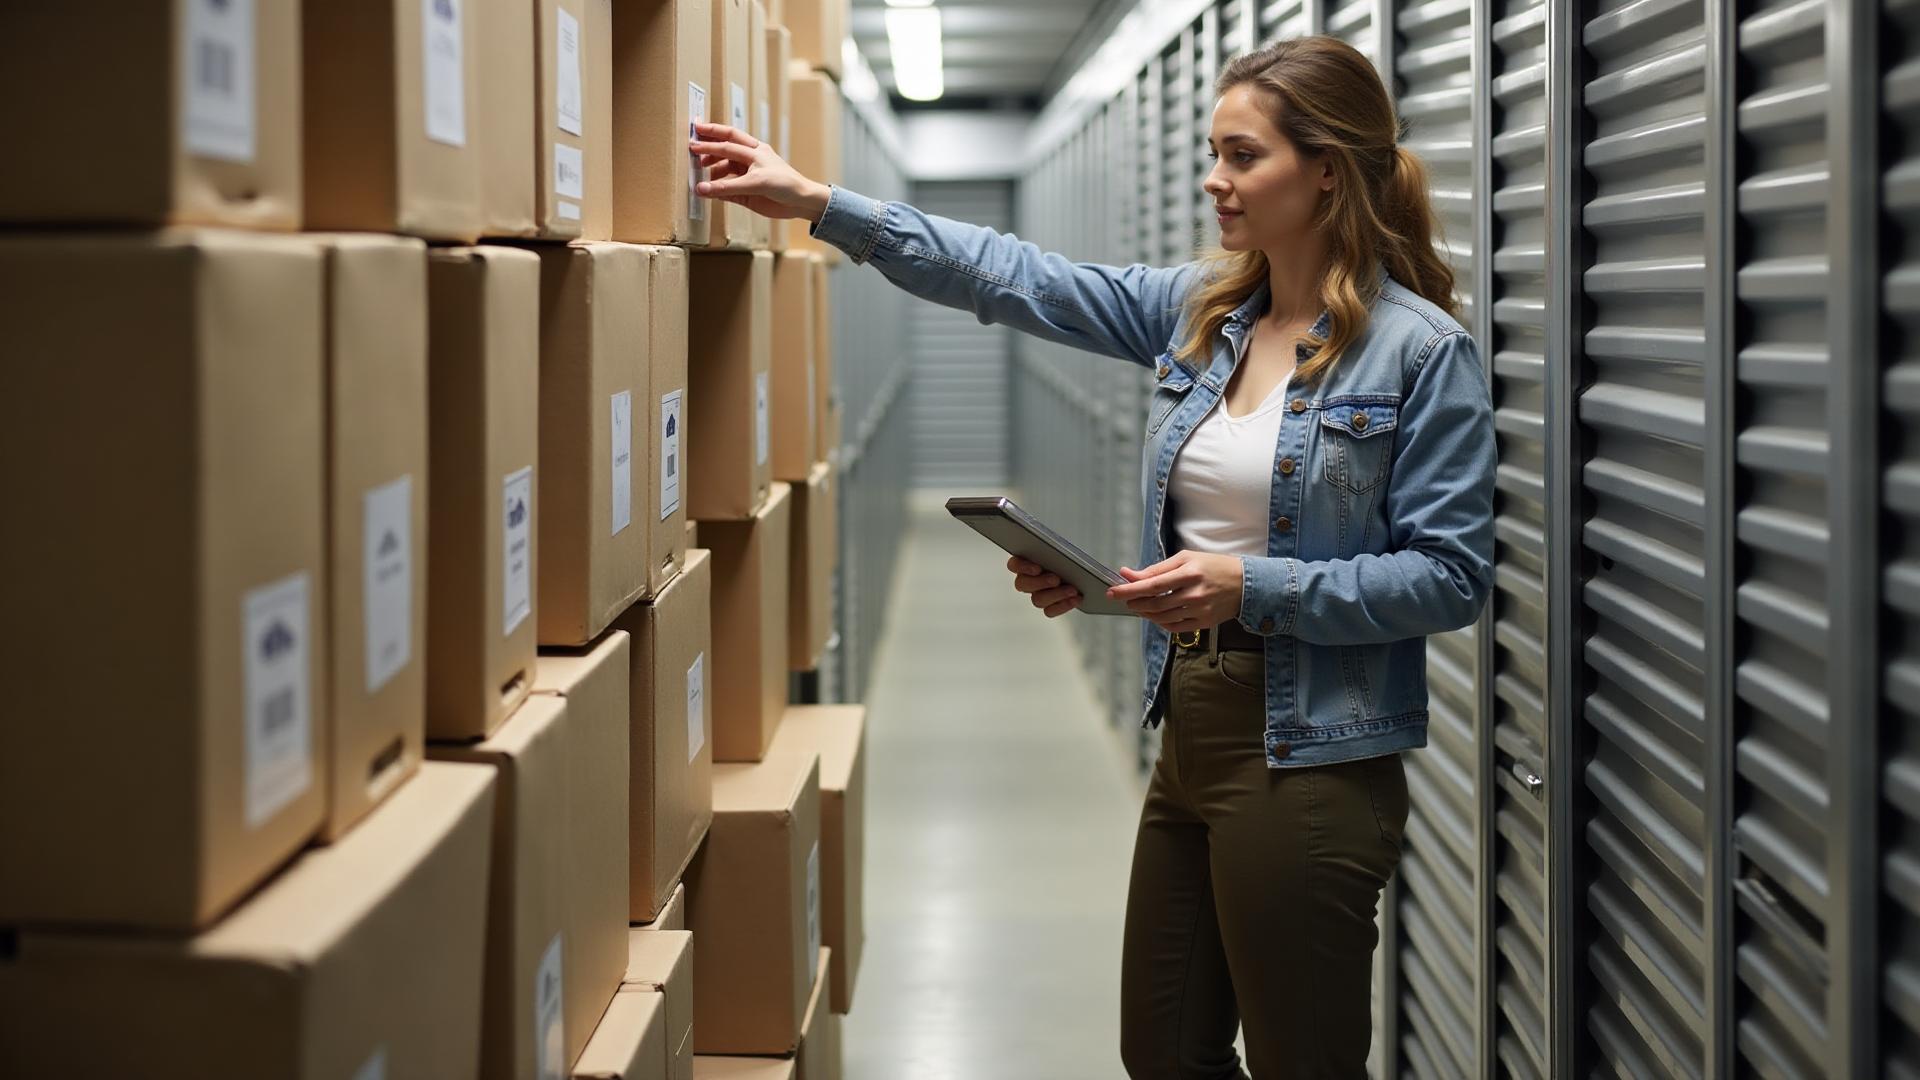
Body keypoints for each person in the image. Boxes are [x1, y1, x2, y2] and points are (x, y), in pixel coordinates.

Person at [689, 34, 1496, 1080]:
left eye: (1243, 157)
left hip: (1309, 754)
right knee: (1159, 1047)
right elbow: (1015, 278)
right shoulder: (1207, 316)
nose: (1215, 179)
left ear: (1327, 168)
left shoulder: (1420, 353)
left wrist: (1246, 583)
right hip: (1192, 727)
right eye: (1213, 151)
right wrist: (820, 205)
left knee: (1304, 1061)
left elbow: (1449, 574)